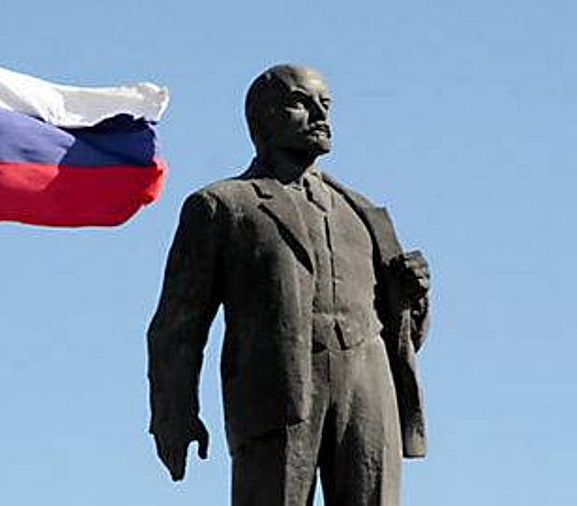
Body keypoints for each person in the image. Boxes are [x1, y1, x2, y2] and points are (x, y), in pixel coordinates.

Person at [146, 65, 431, 506]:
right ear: (262, 119)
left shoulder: (363, 212)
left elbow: (403, 331)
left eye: (326, 104)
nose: (321, 115)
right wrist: (174, 411)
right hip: (274, 393)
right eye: (302, 103)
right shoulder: (222, 205)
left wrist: (414, 297)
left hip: (369, 386)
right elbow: (178, 324)